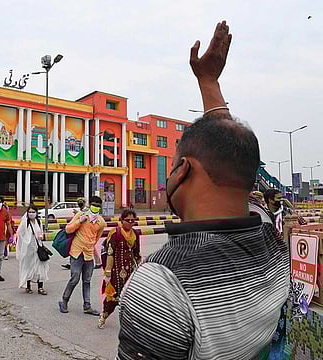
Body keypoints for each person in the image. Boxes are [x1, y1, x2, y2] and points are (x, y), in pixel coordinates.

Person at [117, 21, 289, 359]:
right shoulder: (270, 239)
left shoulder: (162, 284)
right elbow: (231, 154)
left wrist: (207, 81)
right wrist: (209, 82)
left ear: (182, 170)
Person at [58, 195, 106, 316]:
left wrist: (89, 245)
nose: (96, 208)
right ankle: (64, 301)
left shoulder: (101, 222)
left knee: (87, 280)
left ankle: (87, 306)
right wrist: (80, 221)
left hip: (88, 254)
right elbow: (68, 229)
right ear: (90, 205)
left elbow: (97, 238)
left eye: (98, 206)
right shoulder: (80, 215)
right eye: (94, 205)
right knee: (75, 278)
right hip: (76, 252)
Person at [98, 209, 141, 329]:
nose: (131, 223)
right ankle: (103, 316)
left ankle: (130, 324)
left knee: (130, 296)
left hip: (130, 272)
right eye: (128, 220)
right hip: (116, 271)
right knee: (113, 296)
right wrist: (107, 273)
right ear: (122, 220)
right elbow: (110, 254)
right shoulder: (115, 233)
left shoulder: (135, 234)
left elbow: (137, 254)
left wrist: (140, 268)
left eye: (133, 220)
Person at [16, 205, 49, 295]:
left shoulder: (38, 222)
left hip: (38, 248)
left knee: (40, 267)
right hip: (28, 249)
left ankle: (40, 287)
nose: (31, 214)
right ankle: (28, 286)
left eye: (33, 212)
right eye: (29, 212)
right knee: (28, 267)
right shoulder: (25, 222)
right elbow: (19, 233)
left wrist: (41, 237)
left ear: (36, 213)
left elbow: (41, 232)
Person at [62, 197, 89, 270]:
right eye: (78, 202)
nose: (79, 203)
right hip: (77, 232)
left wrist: (77, 214)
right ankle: (72, 263)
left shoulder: (86, 210)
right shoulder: (80, 210)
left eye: (81, 202)